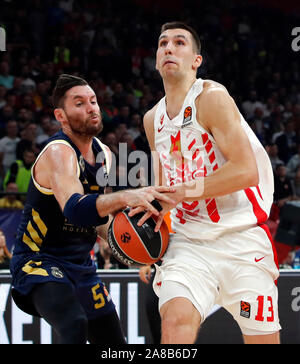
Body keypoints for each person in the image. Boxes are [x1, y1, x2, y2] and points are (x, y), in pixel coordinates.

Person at [130, 22, 281, 344]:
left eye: (179, 43)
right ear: (156, 60)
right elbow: (163, 189)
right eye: (163, 44)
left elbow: (245, 171)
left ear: (196, 60)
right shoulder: (151, 119)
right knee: (174, 322)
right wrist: (152, 246)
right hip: (188, 243)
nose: (169, 48)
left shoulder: (212, 97)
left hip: (239, 237)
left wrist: (183, 191)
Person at [9, 74, 175, 344]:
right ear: (60, 116)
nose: (91, 108)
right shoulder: (58, 152)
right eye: (80, 103)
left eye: (93, 101)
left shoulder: (104, 155)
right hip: (39, 261)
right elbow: (75, 209)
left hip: (81, 266)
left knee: (114, 342)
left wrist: (130, 244)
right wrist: (126, 197)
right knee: (74, 324)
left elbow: (96, 218)